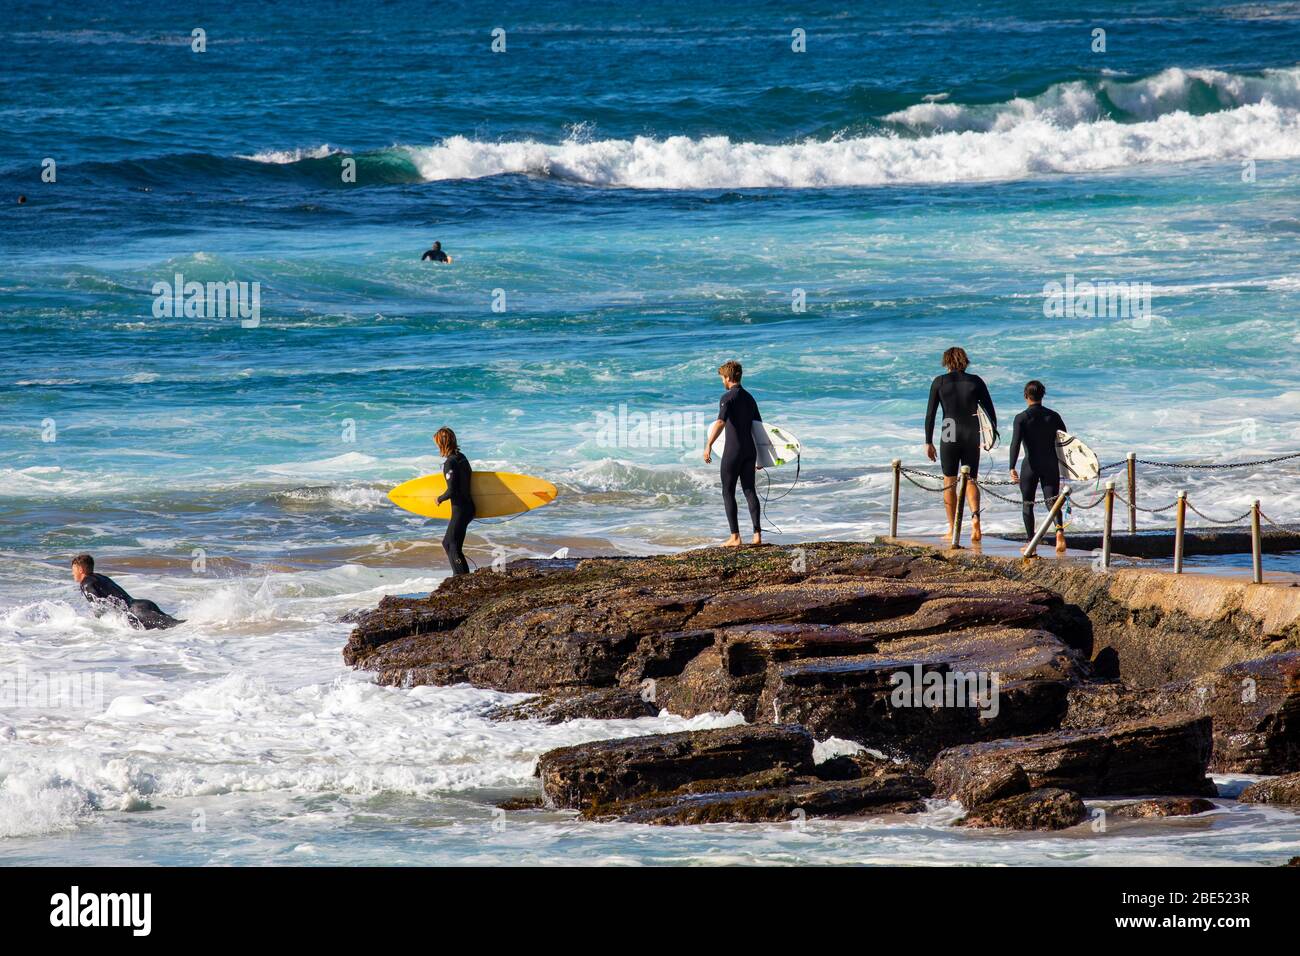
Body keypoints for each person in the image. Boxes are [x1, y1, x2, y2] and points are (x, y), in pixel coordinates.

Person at [924, 346, 996, 542]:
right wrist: (992, 435)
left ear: (946, 361)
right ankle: (975, 520)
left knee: (949, 480)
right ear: (965, 360)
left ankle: (952, 528)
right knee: (971, 479)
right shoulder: (976, 381)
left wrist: (928, 441)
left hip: (949, 429)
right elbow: (990, 410)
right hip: (971, 430)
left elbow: (931, 414)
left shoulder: (939, 382)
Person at [703, 360, 762, 547]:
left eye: (722, 377)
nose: (722, 380)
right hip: (750, 451)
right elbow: (759, 428)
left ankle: (735, 537)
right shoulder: (750, 398)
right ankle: (757, 536)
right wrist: (761, 456)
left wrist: (708, 445)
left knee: (728, 491)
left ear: (728, 377)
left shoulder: (727, 397)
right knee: (750, 490)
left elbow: (720, 422)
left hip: (733, 451)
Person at [1009, 380, 1069, 554]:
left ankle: (1031, 543)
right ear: (1042, 395)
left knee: (1028, 504)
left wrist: (1011, 467)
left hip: (1031, 465)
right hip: (1050, 463)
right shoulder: (1053, 416)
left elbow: (1015, 444)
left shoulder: (1021, 418)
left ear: (1026, 396)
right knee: (1052, 502)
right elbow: (1065, 441)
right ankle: (1060, 534)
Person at [71, 554, 182, 630]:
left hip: (137, 613)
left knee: (179, 627)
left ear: (81, 570)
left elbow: (98, 606)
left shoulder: (85, 583)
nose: (72, 574)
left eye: (73, 570)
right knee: (177, 625)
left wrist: (96, 625)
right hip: (143, 605)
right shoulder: (100, 577)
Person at [434, 427, 475, 575]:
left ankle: (461, 578)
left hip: (461, 509)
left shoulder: (450, 463)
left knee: (450, 544)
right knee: (451, 544)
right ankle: (461, 576)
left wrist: (439, 499)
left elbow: (452, 490)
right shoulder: (462, 457)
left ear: (442, 444)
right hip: (468, 507)